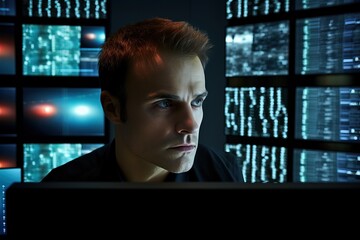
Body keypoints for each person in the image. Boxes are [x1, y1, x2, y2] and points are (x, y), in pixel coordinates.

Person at [41, 17, 244, 182]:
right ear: (112, 108)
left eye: (197, 102)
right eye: (165, 104)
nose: (190, 125)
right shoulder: (64, 186)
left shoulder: (223, 172)